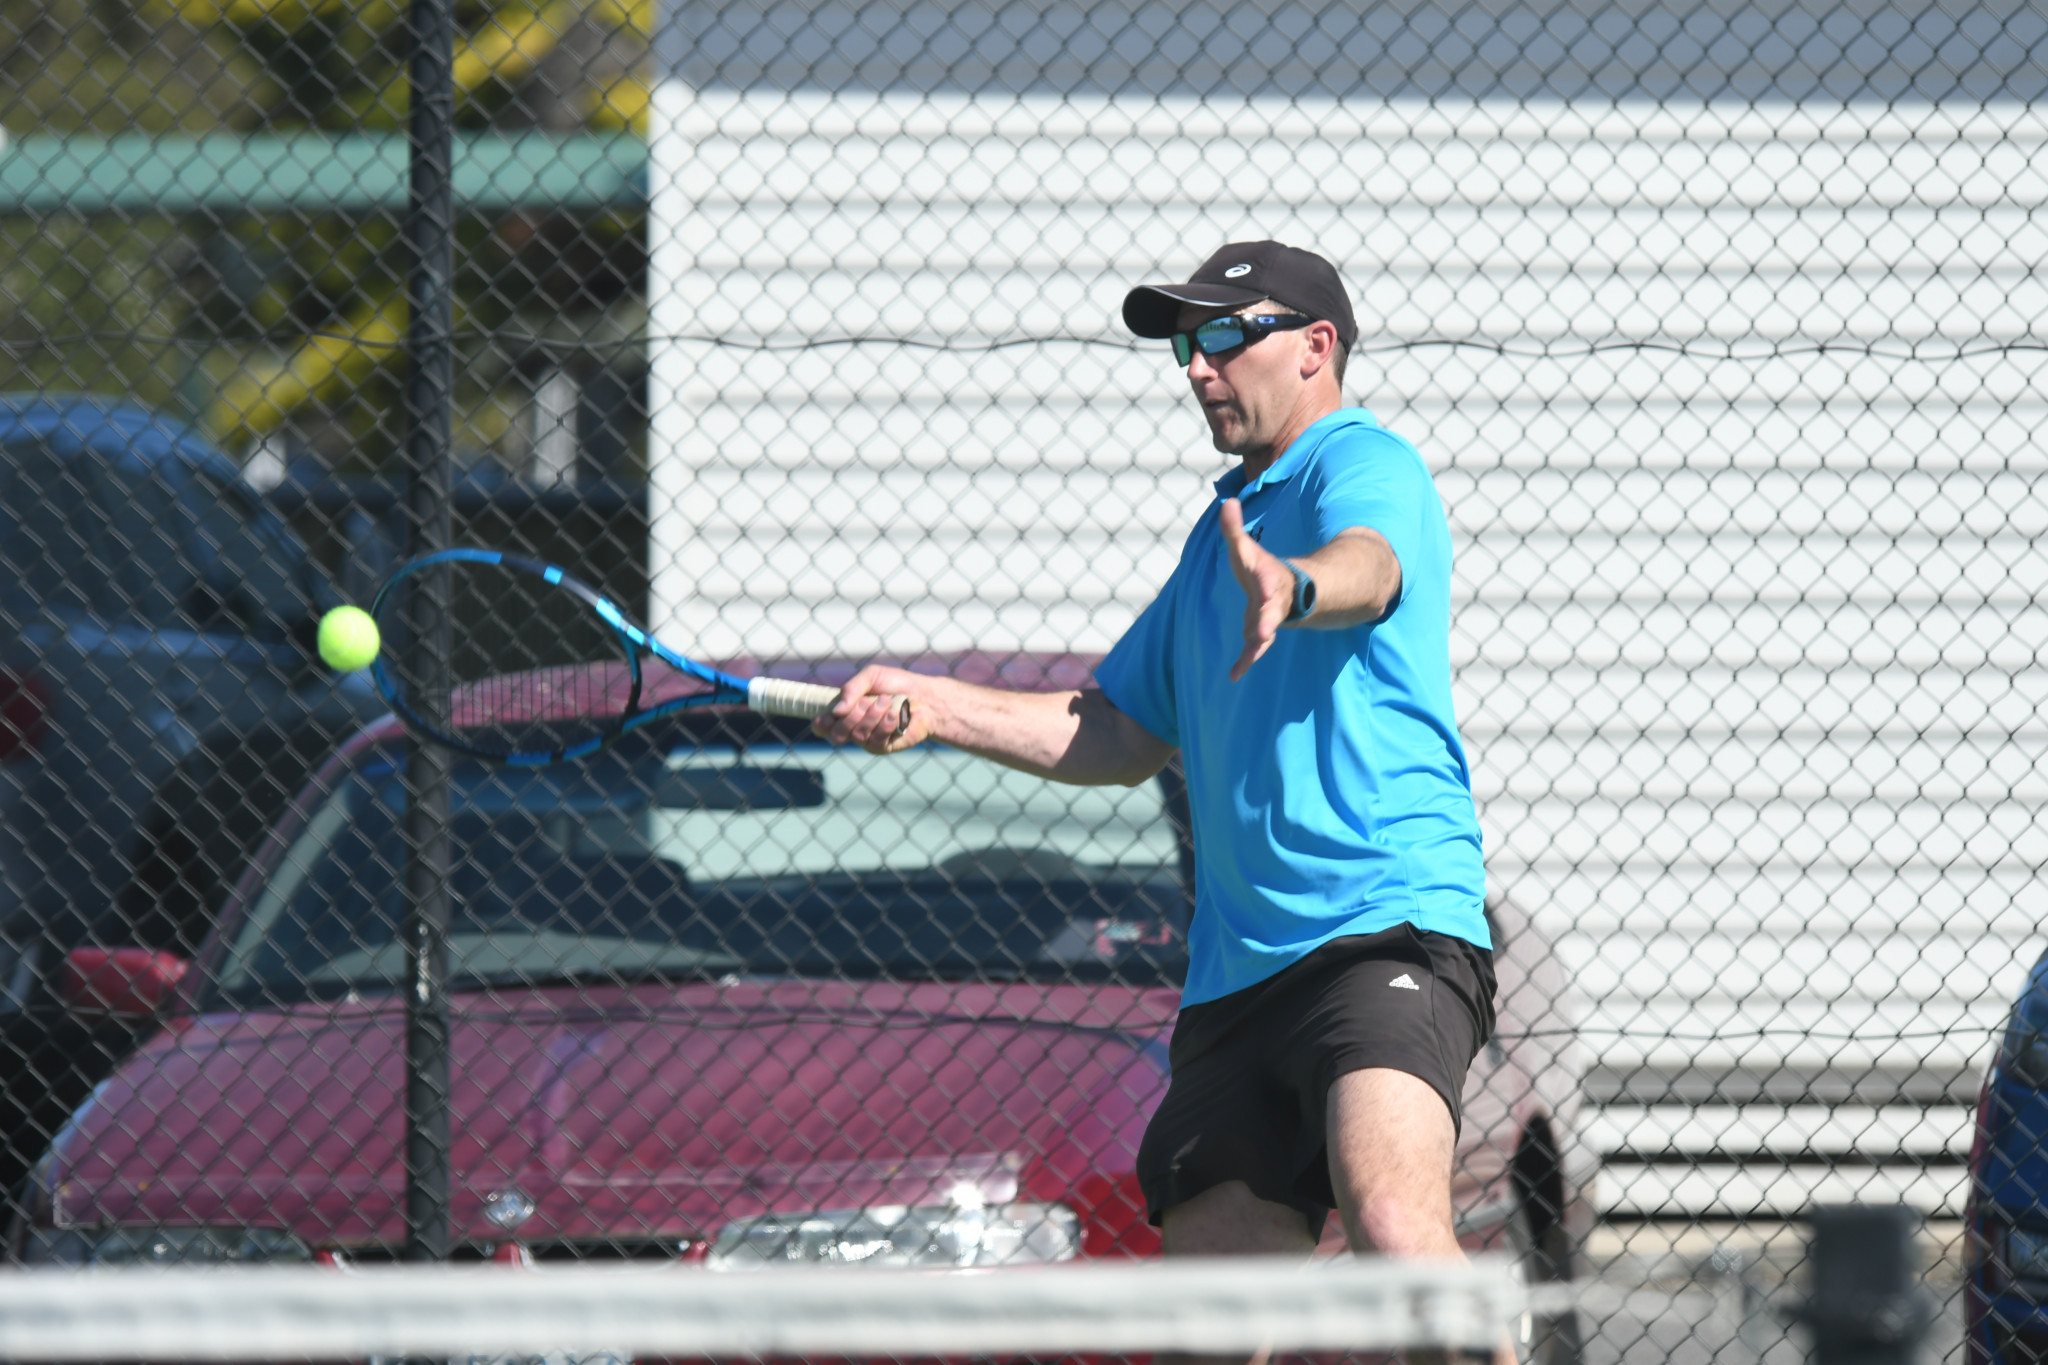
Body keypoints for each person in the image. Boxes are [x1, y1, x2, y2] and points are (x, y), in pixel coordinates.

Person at [816, 241, 1502, 1364]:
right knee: (1206, 1330)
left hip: (1386, 931)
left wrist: (1299, 584)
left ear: (1316, 347)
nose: (1197, 365)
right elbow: (1116, 732)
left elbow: (1370, 564)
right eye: (1187, 342)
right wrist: (934, 705)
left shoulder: (1362, 463)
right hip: (1236, 980)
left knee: (1394, 1229)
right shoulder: (1212, 544)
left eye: (1227, 335)